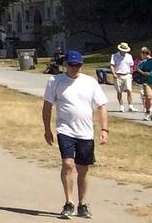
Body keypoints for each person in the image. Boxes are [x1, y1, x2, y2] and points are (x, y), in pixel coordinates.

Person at [42, 50, 108, 219]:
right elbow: (47, 106)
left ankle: (83, 204)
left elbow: (101, 107)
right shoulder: (55, 81)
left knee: (83, 169)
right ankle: (69, 202)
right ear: (65, 65)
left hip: (85, 132)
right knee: (68, 164)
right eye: (71, 65)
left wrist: (104, 130)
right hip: (65, 130)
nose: (74, 68)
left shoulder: (90, 83)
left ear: (81, 65)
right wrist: (47, 129)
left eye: (78, 65)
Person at [111, 43, 137, 112]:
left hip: (127, 74)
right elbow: (112, 65)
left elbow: (131, 65)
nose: (125, 51)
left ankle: (130, 106)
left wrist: (131, 73)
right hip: (118, 75)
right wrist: (114, 73)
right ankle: (121, 106)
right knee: (119, 91)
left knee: (129, 90)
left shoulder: (129, 56)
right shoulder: (114, 56)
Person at [138, 48, 152, 121]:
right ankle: (148, 112)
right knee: (148, 97)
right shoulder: (146, 62)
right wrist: (143, 73)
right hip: (147, 82)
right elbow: (137, 68)